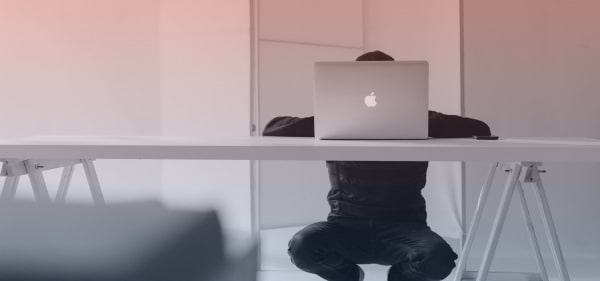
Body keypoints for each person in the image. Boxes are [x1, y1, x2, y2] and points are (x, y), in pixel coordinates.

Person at [263, 51, 492, 281]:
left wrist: (417, 120)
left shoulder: (420, 121)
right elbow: (272, 128)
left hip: (405, 228)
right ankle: (349, 277)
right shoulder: (334, 121)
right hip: (345, 227)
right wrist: (331, 116)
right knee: (302, 247)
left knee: (439, 259)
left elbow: (480, 128)